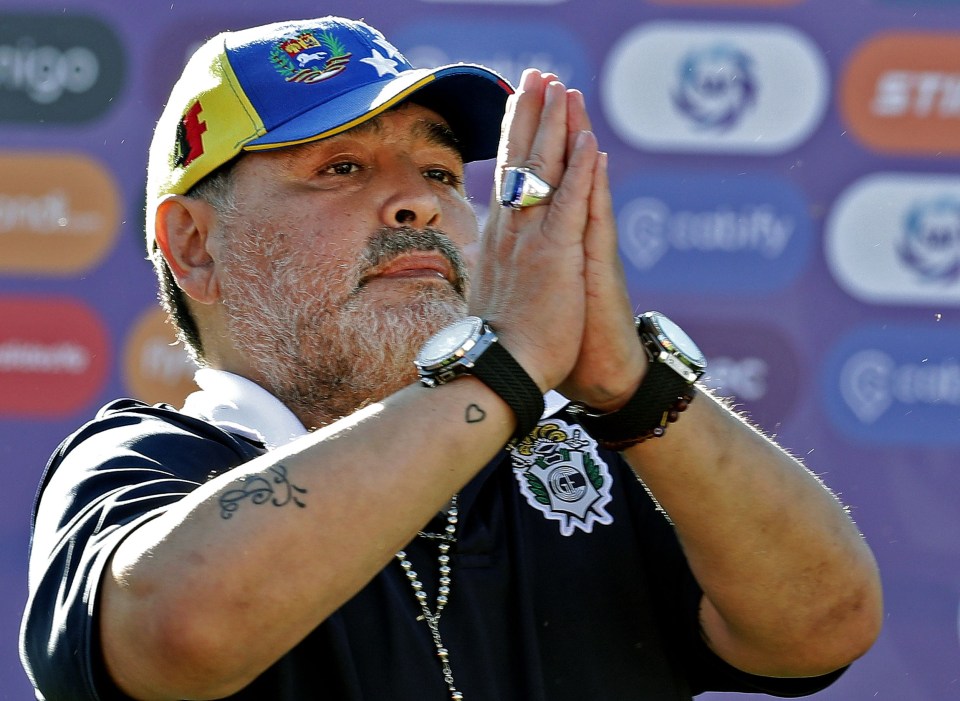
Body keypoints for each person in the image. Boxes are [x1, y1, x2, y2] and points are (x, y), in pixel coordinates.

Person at [20, 15, 882, 701]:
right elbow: (177, 631)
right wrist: (503, 370)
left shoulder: (585, 454)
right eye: (342, 166)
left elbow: (826, 623)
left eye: (438, 171)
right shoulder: (151, 463)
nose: (416, 204)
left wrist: (630, 387)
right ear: (197, 247)